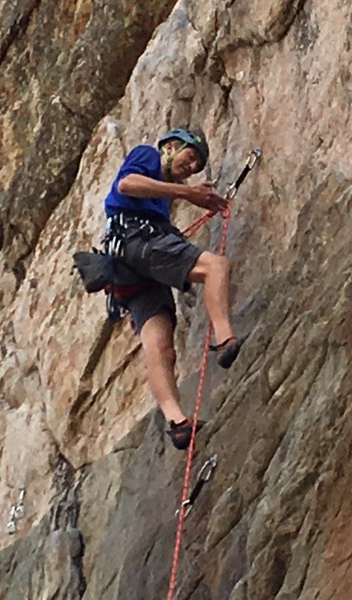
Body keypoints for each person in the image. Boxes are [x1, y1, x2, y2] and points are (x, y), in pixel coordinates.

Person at [102, 128, 244, 450]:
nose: (191, 168)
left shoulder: (161, 198)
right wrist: (185, 193)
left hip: (128, 268)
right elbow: (126, 184)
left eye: (195, 166)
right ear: (169, 147)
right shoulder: (147, 155)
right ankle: (224, 340)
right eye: (189, 156)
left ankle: (177, 422)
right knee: (215, 267)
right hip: (138, 244)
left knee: (160, 346)